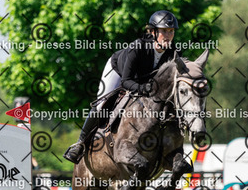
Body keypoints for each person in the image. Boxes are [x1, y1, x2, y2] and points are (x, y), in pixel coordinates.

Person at [64, 10, 180, 163]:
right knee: (102, 104)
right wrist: (142, 89)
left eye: (171, 31)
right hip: (118, 71)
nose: (168, 35)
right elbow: (126, 81)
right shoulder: (137, 47)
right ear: (153, 32)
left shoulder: (173, 53)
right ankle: (80, 144)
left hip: (144, 80)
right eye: (164, 31)